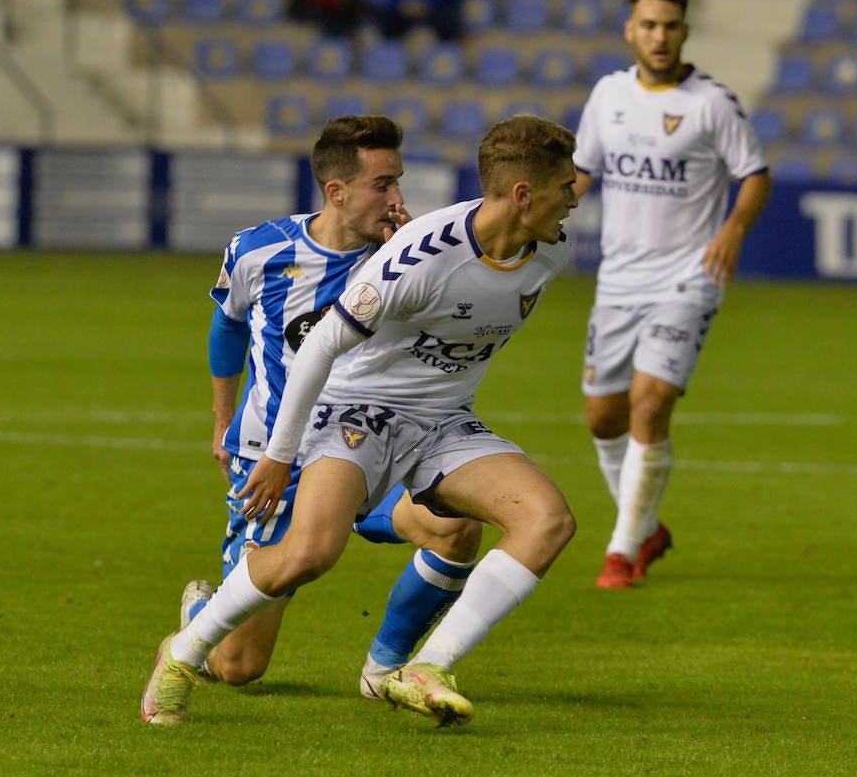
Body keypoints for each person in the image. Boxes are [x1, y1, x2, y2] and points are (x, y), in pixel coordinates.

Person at [142, 114, 580, 728]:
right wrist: (275, 455)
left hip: (442, 423)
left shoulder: (551, 253)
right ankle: (185, 653)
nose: (575, 198)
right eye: (566, 186)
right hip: (354, 414)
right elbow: (319, 346)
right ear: (524, 194)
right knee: (310, 556)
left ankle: (416, 668)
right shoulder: (421, 255)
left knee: (547, 520)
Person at [181, 115, 483, 702]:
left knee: (455, 529)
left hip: (364, 448)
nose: (397, 198)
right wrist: (222, 419)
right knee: (240, 668)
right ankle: (205, 610)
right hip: (277, 463)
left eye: (398, 181)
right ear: (336, 192)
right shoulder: (259, 251)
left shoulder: (402, 257)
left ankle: (386, 671)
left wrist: (424, 252)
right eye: (383, 185)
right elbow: (228, 324)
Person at [572, 0, 772, 589]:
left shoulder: (712, 102)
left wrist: (733, 228)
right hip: (618, 282)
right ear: (631, 30)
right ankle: (648, 527)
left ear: (684, 31)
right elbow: (581, 173)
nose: (660, 36)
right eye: (649, 25)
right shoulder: (608, 94)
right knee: (602, 419)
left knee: (650, 402)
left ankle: (622, 549)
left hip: (689, 276)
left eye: (671, 26)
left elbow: (755, 174)